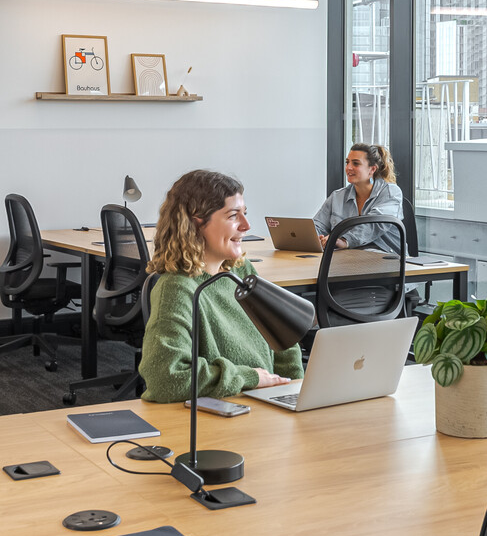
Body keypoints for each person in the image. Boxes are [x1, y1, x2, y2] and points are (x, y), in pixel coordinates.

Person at [138, 169, 303, 402]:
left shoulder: (241, 271)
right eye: (233, 216)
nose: (246, 225)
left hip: (264, 404)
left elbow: (282, 342)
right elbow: (165, 378)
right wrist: (248, 377)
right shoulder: (176, 289)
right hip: (222, 409)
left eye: (245, 213)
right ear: (196, 221)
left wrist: (295, 391)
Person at [313, 143, 405, 250]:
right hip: (347, 256)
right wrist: (314, 238)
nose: (348, 167)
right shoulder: (337, 196)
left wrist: (344, 240)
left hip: (384, 255)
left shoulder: (390, 192)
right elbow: (318, 225)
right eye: (347, 162)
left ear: (372, 169)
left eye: (356, 163)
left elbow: (374, 224)